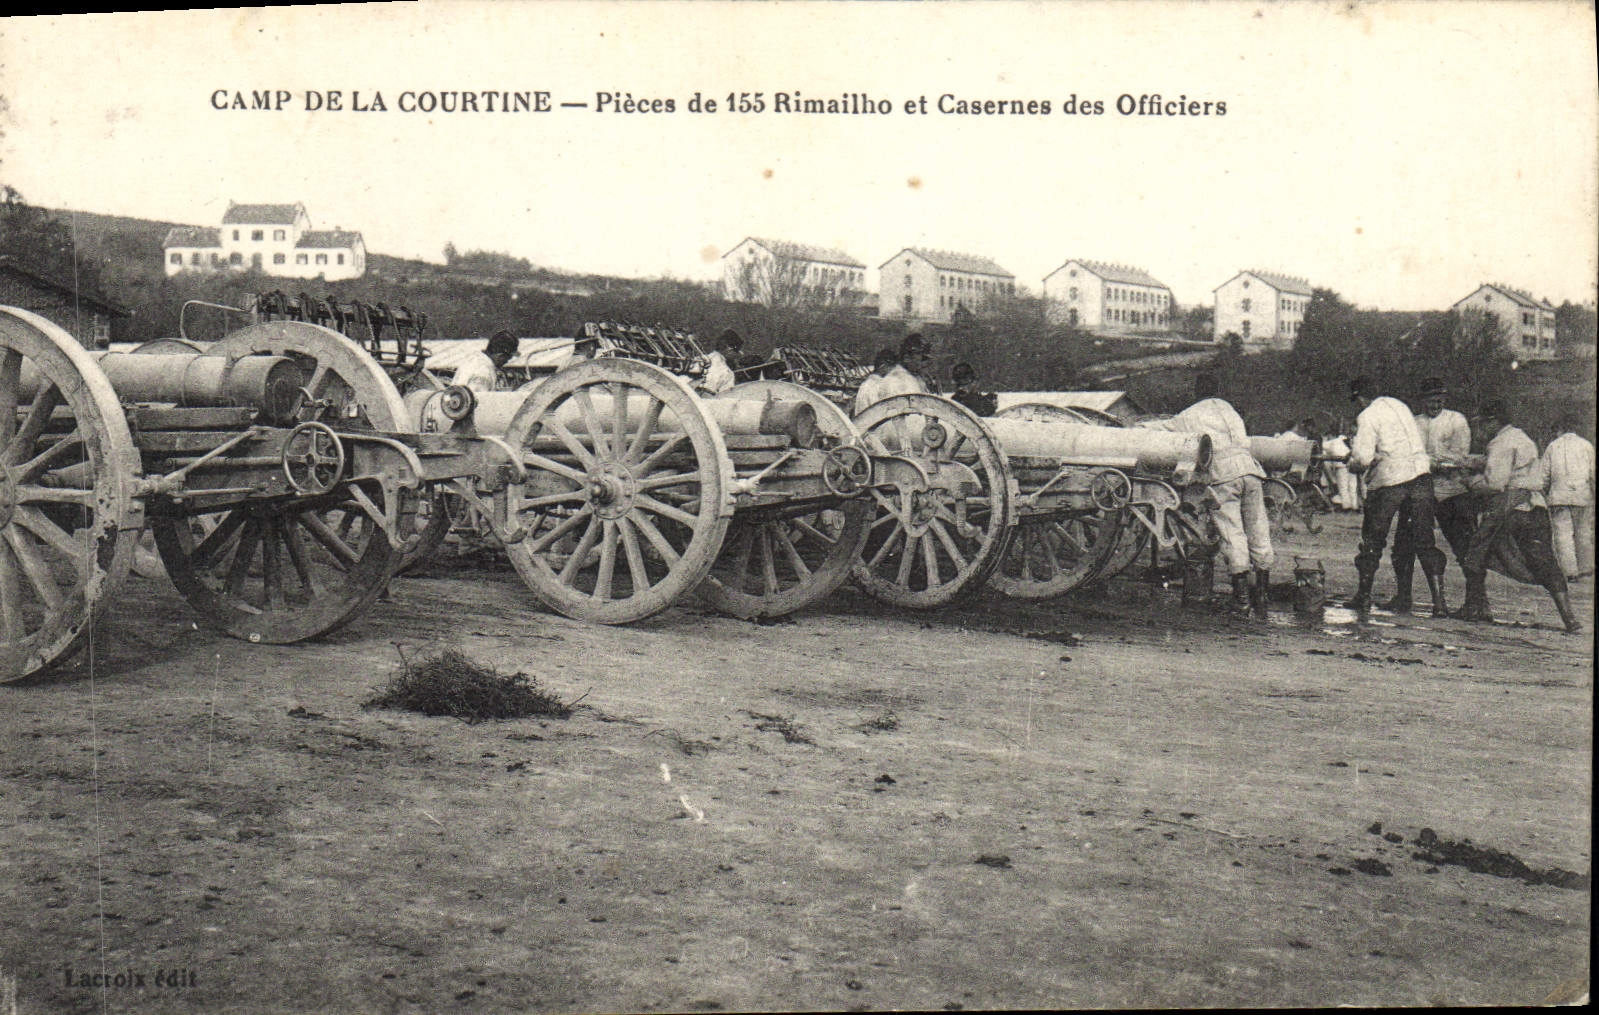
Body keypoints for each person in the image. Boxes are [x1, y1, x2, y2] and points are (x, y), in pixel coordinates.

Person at [1146, 372, 1273, 618]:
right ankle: (1262, 598)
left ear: (1197, 391)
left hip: (1224, 475)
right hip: (1251, 470)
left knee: (1232, 533)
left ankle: (1242, 602)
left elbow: (1166, 430)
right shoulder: (1229, 409)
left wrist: (1139, 426)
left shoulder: (1190, 414)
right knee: (1258, 529)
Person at [1455, 400, 1580, 633]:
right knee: (1545, 561)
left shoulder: (1499, 443)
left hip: (1510, 508)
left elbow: (1495, 484)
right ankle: (1569, 617)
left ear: (1493, 422)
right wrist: (1480, 461)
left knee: (1476, 551)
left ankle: (1475, 607)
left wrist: (1469, 480)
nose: (1481, 429)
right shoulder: (1522, 437)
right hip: (1536, 506)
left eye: (1483, 424)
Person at [1346, 375, 1445, 614]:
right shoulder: (1400, 406)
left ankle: (1364, 596)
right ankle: (1439, 603)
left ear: (1360, 398)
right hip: (1421, 476)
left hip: (1392, 480)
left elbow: (1363, 458)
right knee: (1423, 541)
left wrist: (1352, 462)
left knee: (1373, 539)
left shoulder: (1367, 415)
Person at [1384, 377, 1475, 614]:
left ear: (1444, 399)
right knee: (1404, 545)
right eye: (1430, 400)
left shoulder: (1456, 421)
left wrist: (1427, 461)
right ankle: (1404, 596)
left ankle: (1475, 601)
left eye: (1438, 400)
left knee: (1464, 546)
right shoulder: (1413, 423)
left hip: (1450, 491)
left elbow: (1459, 457)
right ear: (1422, 401)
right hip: (1418, 490)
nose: (1435, 405)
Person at [1541, 418, 1594, 583]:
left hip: (1559, 497)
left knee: (1562, 534)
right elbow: (1593, 473)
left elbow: (1544, 475)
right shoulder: (1587, 445)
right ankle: (1586, 568)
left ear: (1560, 429)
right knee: (1583, 532)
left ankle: (1570, 572)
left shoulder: (1552, 446)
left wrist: (1544, 490)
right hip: (1582, 495)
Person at [454, 330, 519, 393]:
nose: (507, 362)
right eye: (508, 358)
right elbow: (481, 399)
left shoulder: (474, 360)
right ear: (500, 355)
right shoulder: (483, 372)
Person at [852, 347, 900, 415]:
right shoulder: (877, 386)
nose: (893, 373)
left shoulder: (867, 384)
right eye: (892, 368)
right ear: (883, 366)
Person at [698, 328, 742, 395]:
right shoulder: (724, 370)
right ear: (728, 348)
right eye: (736, 350)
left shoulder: (703, 358)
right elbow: (706, 391)